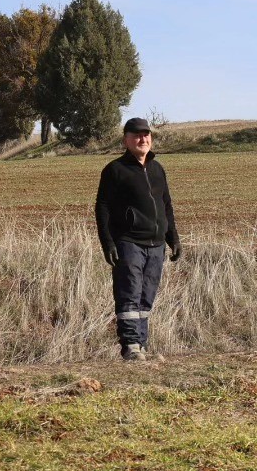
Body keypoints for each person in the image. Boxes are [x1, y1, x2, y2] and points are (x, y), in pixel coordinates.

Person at [95, 117, 182, 362]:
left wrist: (173, 237)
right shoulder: (115, 170)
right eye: (136, 135)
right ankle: (131, 346)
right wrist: (108, 243)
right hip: (128, 242)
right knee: (129, 293)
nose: (142, 139)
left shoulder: (157, 169)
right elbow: (102, 208)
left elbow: (166, 204)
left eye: (146, 135)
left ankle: (141, 345)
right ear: (126, 140)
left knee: (146, 297)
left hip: (155, 244)